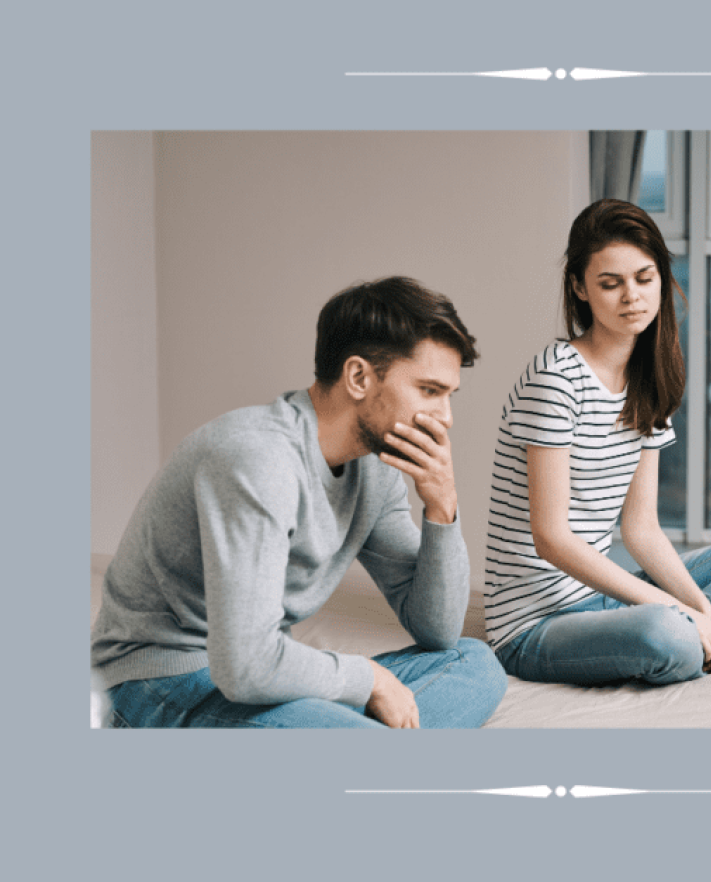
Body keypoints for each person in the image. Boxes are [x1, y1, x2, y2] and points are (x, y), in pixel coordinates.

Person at [93, 276, 507, 728]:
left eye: (450, 395)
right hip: (161, 684)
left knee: (472, 662)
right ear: (358, 377)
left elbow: (438, 632)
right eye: (430, 391)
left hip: (254, 680)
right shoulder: (257, 459)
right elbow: (248, 666)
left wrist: (441, 507)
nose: (445, 419)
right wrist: (367, 679)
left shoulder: (375, 468)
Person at [484, 199, 711, 687]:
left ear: (661, 276)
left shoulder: (647, 380)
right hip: (533, 626)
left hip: (603, 598)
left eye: (644, 277)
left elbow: (640, 530)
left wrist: (702, 611)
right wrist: (678, 613)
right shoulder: (556, 379)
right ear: (580, 288)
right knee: (666, 637)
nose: (632, 297)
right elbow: (552, 539)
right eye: (610, 283)